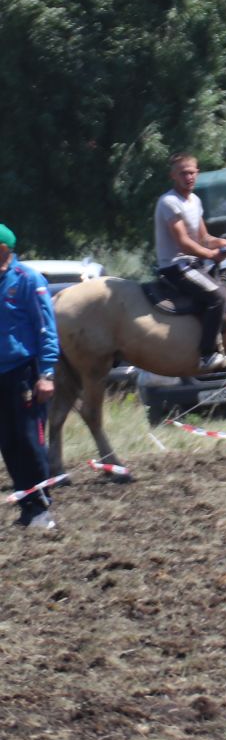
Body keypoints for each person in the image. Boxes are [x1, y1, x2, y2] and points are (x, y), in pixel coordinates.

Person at [154, 153, 226, 373]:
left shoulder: (195, 201)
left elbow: (203, 238)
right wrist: (211, 256)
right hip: (175, 266)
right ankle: (207, 354)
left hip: (194, 265)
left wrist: (223, 243)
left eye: (192, 172)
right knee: (219, 297)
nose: (188, 177)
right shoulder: (169, 202)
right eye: (183, 173)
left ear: (197, 173)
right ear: (173, 176)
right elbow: (183, 243)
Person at [0, 224, 59, 530]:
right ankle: (25, 503)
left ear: (4, 249)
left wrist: (47, 373)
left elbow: (46, 328)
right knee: (7, 441)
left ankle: (42, 505)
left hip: (25, 372)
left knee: (29, 439)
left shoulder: (27, 280)